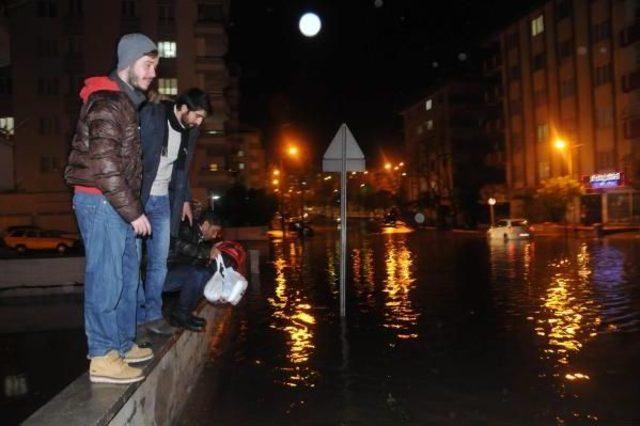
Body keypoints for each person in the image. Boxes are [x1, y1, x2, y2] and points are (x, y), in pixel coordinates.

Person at [64, 33, 158, 384]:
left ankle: (120, 343)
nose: (152, 74)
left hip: (113, 202)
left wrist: (131, 209)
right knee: (106, 278)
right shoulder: (107, 100)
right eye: (147, 65)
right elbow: (105, 163)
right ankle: (103, 355)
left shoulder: (123, 101)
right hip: (100, 200)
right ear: (129, 62)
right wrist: (134, 212)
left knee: (125, 275)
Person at [137, 88, 212, 335]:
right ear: (183, 108)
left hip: (162, 201)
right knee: (134, 262)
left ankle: (153, 317)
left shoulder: (189, 132)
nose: (199, 122)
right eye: (197, 116)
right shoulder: (155, 117)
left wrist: (186, 200)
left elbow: (182, 169)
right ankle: (136, 319)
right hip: (139, 198)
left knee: (159, 262)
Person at [164, 210, 246, 332]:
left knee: (206, 274)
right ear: (206, 225)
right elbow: (178, 245)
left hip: (176, 274)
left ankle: (184, 313)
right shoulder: (187, 227)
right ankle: (181, 313)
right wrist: (207, 252)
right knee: (197, 273)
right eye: (214, 231)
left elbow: (197, 256)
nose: (214, 235)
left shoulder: (201, 238)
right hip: (163, 276)